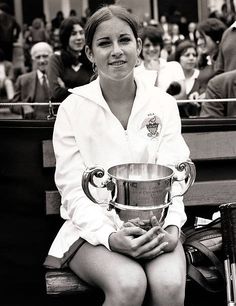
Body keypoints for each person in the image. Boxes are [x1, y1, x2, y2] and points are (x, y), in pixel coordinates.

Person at [44, 5, 191, 306]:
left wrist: (173, 227)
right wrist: (111, 237)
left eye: (124, 40)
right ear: (88, 52)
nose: (116, 51)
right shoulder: (73, 109)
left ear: (138, 46)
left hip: (156, 226)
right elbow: (73, 190)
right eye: (104, 43)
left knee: (170, 283)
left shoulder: (163, 104)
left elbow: (176, 177)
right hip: (91, 233)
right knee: (128, 284)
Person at [48, 17, 93, 102]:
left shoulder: (90, 58)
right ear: (65, 37)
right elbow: (56, 93)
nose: (79, 37)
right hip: (64, 111)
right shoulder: (56, 59)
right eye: (73, 34)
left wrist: (66, 89)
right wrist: (86, 93)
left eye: (81, 33)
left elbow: (98, 91)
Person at [135, 25, 185, 97]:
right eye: (147, 45)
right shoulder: (136, 73)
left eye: (155, 45)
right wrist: (155, 74)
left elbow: (183, 96)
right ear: (140, 47)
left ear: (160, 46)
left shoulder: (174, 66)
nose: (151, 49)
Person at [12, 42, 53, 119]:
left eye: (45, 56)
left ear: (51, 57)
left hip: (57, 124)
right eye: (38, 57)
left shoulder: (60, 77)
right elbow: (12, 106)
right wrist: (24, 106)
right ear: (33, 60)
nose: (42, 61)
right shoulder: (23, 80)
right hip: (33, 125)